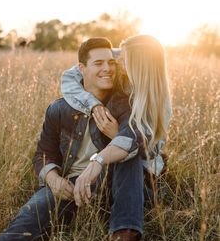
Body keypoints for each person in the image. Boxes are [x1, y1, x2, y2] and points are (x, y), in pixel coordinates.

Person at [0, 37, 147, 241]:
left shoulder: (125, 104)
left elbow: (134, 140)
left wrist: (99, 160)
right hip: (68, 187)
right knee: (26, 222)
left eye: (111, 63)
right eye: (98, 63)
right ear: (82, 69)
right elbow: (43, 154)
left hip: (108, 185)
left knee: (130, 157)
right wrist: (53, 179)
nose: (107, 69)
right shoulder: (58, 109)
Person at [61, 35, 171, 199]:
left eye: (123, 60)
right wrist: (93, 104)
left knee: (127, 161)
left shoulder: (159, 103)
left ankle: (127, 220)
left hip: (141, 165)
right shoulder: (123, 53)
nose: (117, 63)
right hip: (109, 154)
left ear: (138, 65)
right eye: (119, 57)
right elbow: (69, 76)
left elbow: (151, 150)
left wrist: (117, 136)